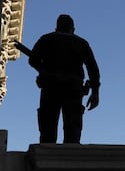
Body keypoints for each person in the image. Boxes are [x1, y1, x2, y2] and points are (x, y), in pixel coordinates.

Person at [29, 14, 100, 144]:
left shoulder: (46, 39)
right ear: (73, 29)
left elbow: (33, 60)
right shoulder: (81, 43)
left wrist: (44, 71)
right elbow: (93, 70)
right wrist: (95, 93)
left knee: (48, 130)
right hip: (73, 88)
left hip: (51, 86)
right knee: (72, 131)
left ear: (56, 28)